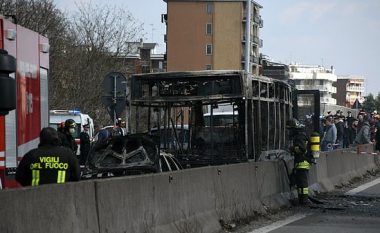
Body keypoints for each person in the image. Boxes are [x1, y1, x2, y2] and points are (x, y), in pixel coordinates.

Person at [16, 127, 80, 186]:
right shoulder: (68, 154)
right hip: (61, 194)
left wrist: (29, 186)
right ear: (57, 138)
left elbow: (19, 177)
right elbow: (76, 176)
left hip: (35, 195)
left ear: (41, 139)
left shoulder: (31, 155)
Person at [287, 119, 313, 205]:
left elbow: (302, 149)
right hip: (302, 162)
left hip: (302, 162)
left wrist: (292, 149)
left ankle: (304, 200)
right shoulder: (302, 134)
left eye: (290, 129)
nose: (289, 132)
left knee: (302, 182)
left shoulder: (299, 136)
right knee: (300, 182)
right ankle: (302, 199)